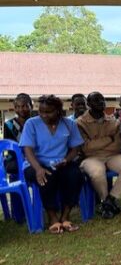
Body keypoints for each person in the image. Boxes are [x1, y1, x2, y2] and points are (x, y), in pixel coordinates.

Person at [20, 95, 84, 233]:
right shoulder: (31, 123)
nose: (44, 115)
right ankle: (53, 218)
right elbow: (27, 149)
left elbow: (75, 148)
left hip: (61, 163)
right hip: (35, 164)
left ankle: (65, 216)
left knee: (76, 175)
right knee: (46, 177)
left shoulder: (69, 124)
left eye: (48, 112)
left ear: (58, 111)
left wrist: (66, 160)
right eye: (41, 111)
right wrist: (38, 168)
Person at [77, 92, 121, 219]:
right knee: (97, 172)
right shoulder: (80, 123)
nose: (101, 102)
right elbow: (86, 148)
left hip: (112, 155)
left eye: (102, 100)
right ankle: (105, 202)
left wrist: (97, 143)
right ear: (88, 104)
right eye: (96, 100)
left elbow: (118, 145)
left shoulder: (113, 121)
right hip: (90, 158)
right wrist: (109, 139)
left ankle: (109, 201)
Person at [3, 93, 33, 174]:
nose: (21, 109)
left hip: (35, 157)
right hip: (15, 158)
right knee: (12, 167)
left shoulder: (36, 123)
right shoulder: (9, 125)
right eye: (17, 107)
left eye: (24, 106)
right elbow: (8, 147)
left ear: (31, 107)